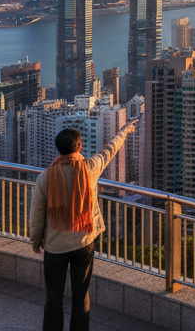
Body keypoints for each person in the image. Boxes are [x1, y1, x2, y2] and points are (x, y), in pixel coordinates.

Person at [29, 127, 126, 331]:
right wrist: (124, 132)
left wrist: (35, 241)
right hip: (83, 242)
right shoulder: (90, 168)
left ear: (58, 150)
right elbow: (109, 150)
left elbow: (37, 215)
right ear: (80, 146)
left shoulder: (45, 177)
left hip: (55, 247)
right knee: (81, 296)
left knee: (53, 298)